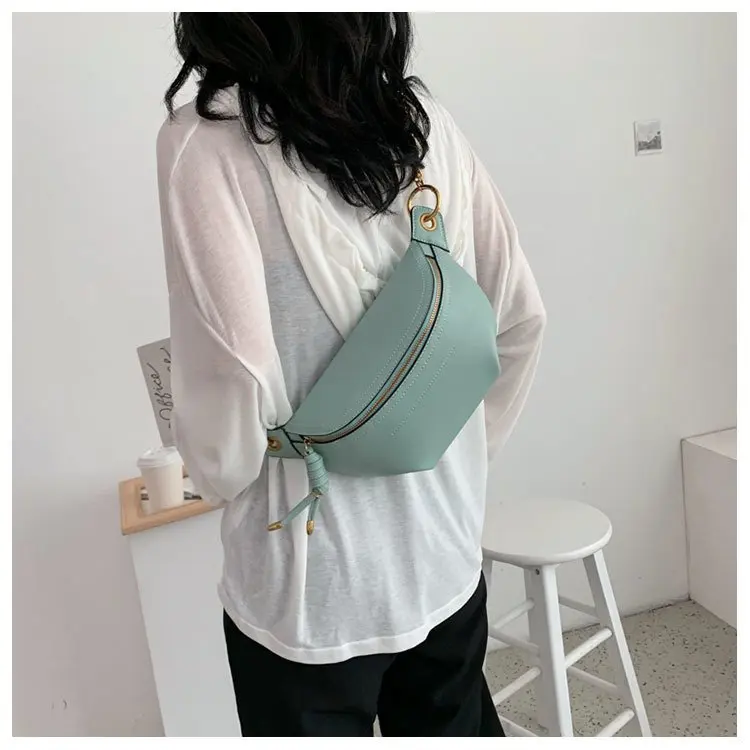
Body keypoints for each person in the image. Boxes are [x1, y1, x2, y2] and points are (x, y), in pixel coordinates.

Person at [157, 12, 546, 738]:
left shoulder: (204, 146)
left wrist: (212, 474)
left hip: (307, 592)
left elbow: (231, 395)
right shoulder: (425, 125)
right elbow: (521, 319)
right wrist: (441, 456)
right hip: (443, 556)